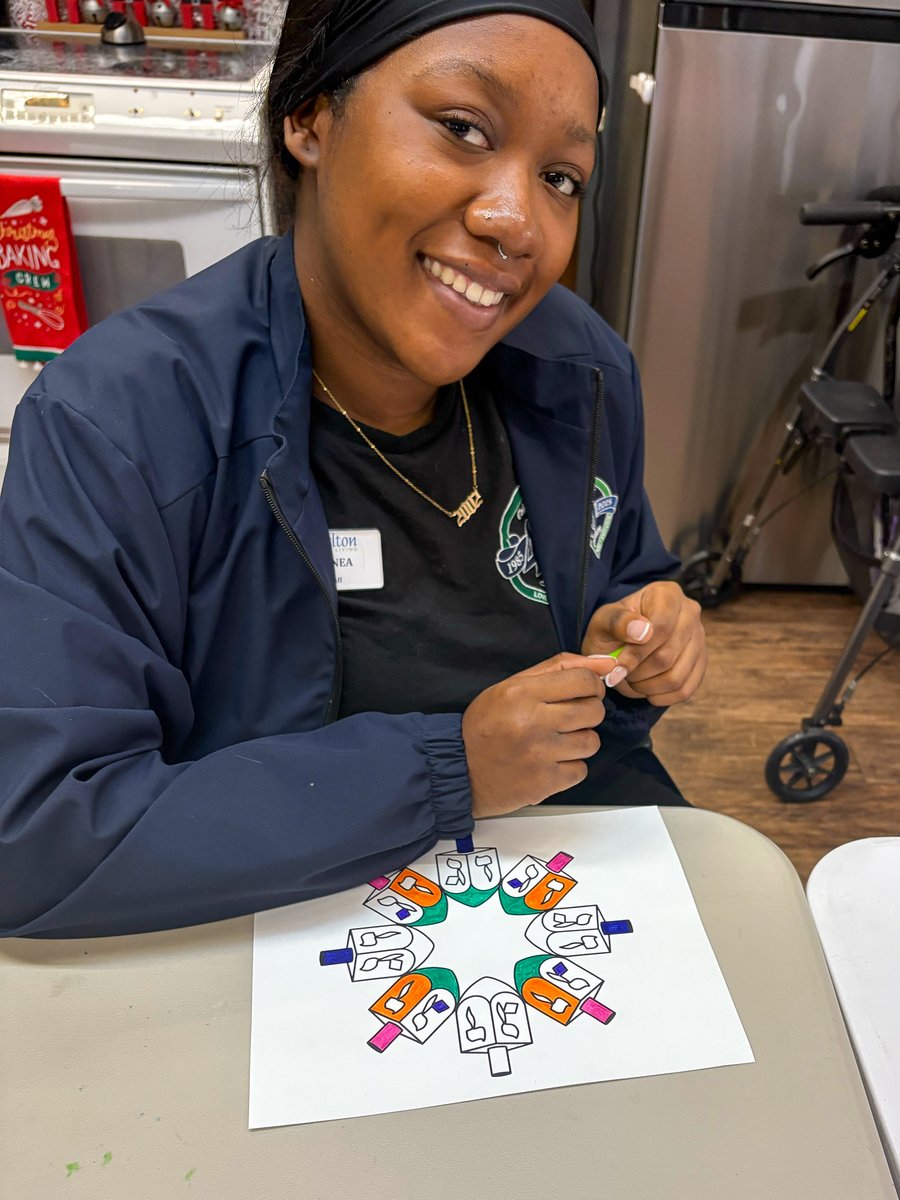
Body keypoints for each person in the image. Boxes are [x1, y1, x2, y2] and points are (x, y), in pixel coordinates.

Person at [0, 0, 706, 938]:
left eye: (561, 177)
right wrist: (449, 769)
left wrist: (640, 636)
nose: (518, 221)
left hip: (552, 883)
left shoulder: (580, 374)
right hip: (271, 921)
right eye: (461, 128)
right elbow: (39, 832)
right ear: (310, 118)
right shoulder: (121, 423)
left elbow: (618, 581)